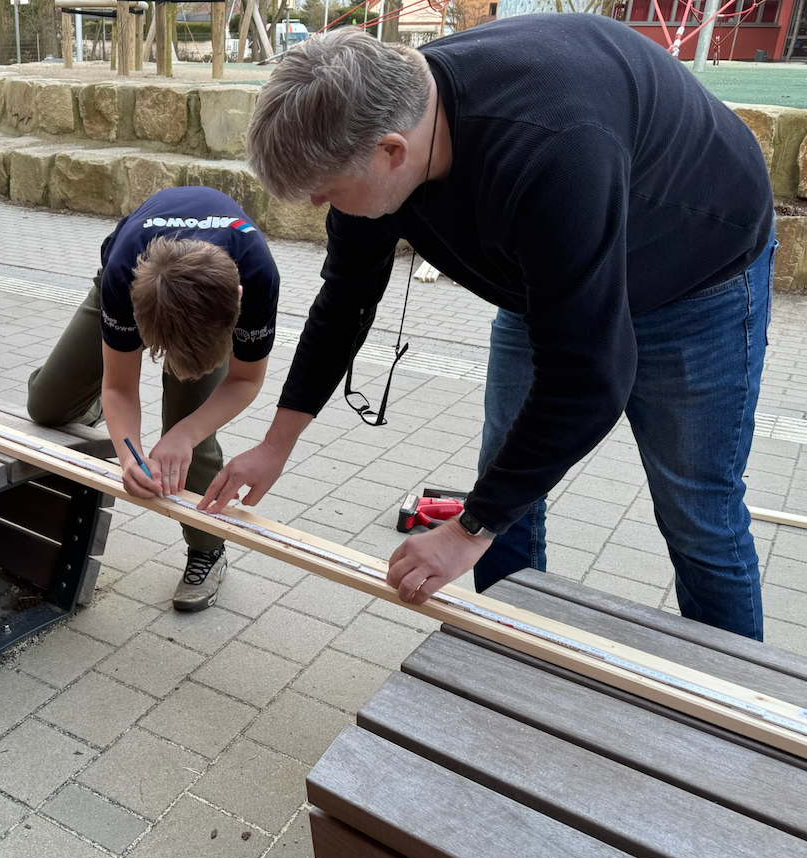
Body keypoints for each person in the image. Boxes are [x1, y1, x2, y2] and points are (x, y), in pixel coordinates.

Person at [200, 17, 776, 640]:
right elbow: (344, 304)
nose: (322, 208)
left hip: (698, 269)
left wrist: (465, 532)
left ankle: (740, 711)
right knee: (504, 476)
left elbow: (590, 379)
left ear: (392, 152)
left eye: (328, 193)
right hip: (555, 272)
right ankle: (506, 652)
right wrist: (275, 445)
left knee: (697, 510)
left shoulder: (551, 148)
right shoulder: (378, 133)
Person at [28, 186, 280, 611]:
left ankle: (207, 550)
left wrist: (185, 432)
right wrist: (129, 454)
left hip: (209, 297)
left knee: (190, 440)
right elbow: (120, 386)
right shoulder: (123, 275)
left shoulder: (256, 277)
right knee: (46, 406)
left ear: (238, 304)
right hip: (139, 278)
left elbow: (247, 378)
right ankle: (87, 405)